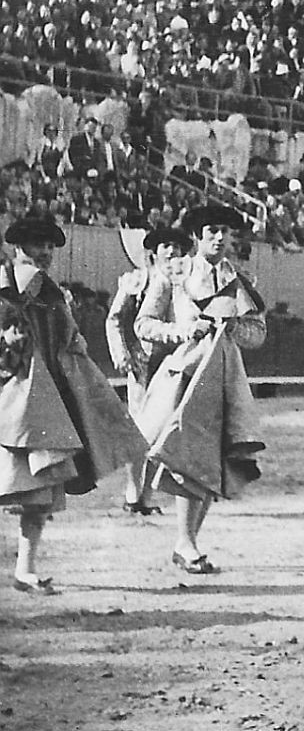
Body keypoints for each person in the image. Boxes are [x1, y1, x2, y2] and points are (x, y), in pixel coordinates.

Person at [0, 215, 148, 593]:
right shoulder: (8, 286)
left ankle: (25, 570)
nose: (46, 252)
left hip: (43, 400)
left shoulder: (48, 290)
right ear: (18, 247)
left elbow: (67, 341)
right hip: (13, 401)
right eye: (38, 244)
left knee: (39, 491)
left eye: (50, 245)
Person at [135, 206, 267, 574]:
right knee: (187, 457)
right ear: (196, 236)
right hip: (184, 376)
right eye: (212, 231)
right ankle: (186, 542)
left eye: (225, 231)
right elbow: (143, 324)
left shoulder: (238, 281)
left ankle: (186, 542)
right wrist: (181, 333)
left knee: (213, 461)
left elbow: (258, 335)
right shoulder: (174, 274)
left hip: (223, 378)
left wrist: (234, 329)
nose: (220, 238)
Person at [105, 226, 191, 516]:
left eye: (177, 247)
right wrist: (122, 354)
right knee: (139, 431)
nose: (171, 251)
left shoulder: (184, 281)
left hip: (173, 365)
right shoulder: (138, 280)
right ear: (154, 251)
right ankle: (133, 493)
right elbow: (115, 319)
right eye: (166, 246)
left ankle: (147, 494)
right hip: (143, 364)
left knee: (162, 431)